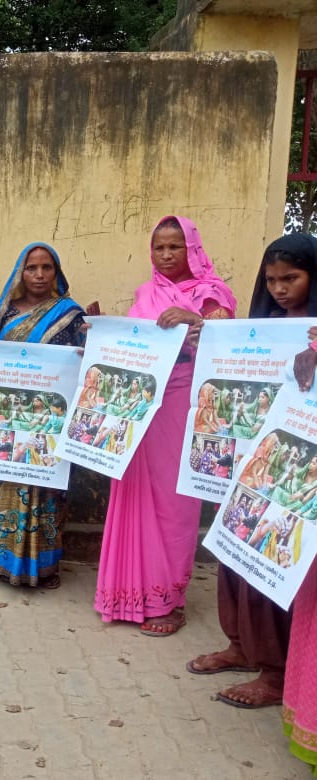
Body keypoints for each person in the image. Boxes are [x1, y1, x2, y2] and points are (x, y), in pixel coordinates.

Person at [189, 236, 317, 716]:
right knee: (235, 549)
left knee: (274, 558)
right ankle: (241, 644)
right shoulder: (262, 329)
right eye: (271, 280)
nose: (280, 289)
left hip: (294, 467)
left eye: (292, 278)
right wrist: (208, 345)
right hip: (248, 460)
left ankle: (276, 670)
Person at [94, 216, 236, 636]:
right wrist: (102, 342)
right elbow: (135, 345)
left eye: (176, 246)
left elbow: (229, 347)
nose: (167, 255)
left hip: (184, 401)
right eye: (159, 247)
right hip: (140, 405)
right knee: (135, 494)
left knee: (176, 502)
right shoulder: (146, 293)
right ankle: (129, 594)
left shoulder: (212, 294)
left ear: (193, 249)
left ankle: (170, 601)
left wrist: (195, 321)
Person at [0, 242, 91, 588]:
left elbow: (84, 363)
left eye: (47, 267)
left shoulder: (70, 315)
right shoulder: (5, 313)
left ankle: (44, 567)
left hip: (48, 423)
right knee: (6, 486)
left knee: (47, 493)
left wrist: (93, 345)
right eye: (31, 268)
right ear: (21, 272)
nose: (39, 274)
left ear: (56, 273)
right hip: (7, 420)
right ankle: (3, 563)